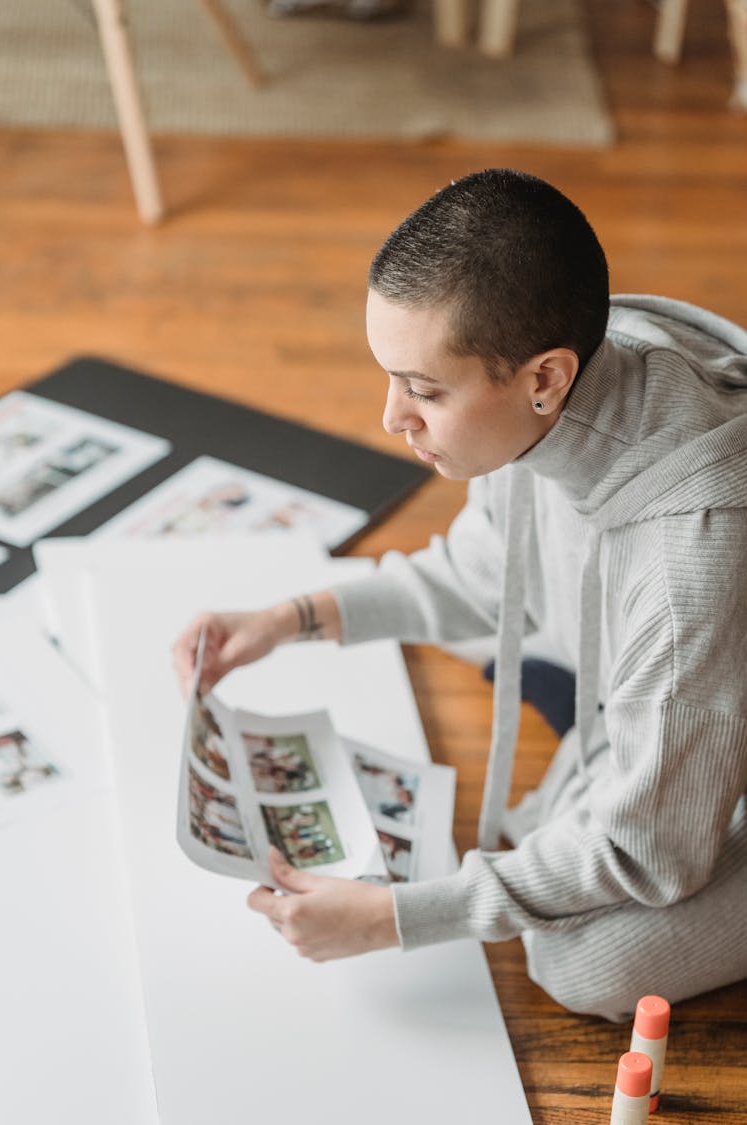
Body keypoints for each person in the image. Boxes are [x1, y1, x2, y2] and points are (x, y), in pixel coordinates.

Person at [173, 169, 747, 1022]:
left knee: (583, 963)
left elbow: (649, 854)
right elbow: (482, 574)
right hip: (690, 697)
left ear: (545, 378)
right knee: (548, 844)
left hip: (697, 689)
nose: (390, 418)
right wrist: (289, 620)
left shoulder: (679, 574)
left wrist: (395, 919)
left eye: (424, 390)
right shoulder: (573, 373)